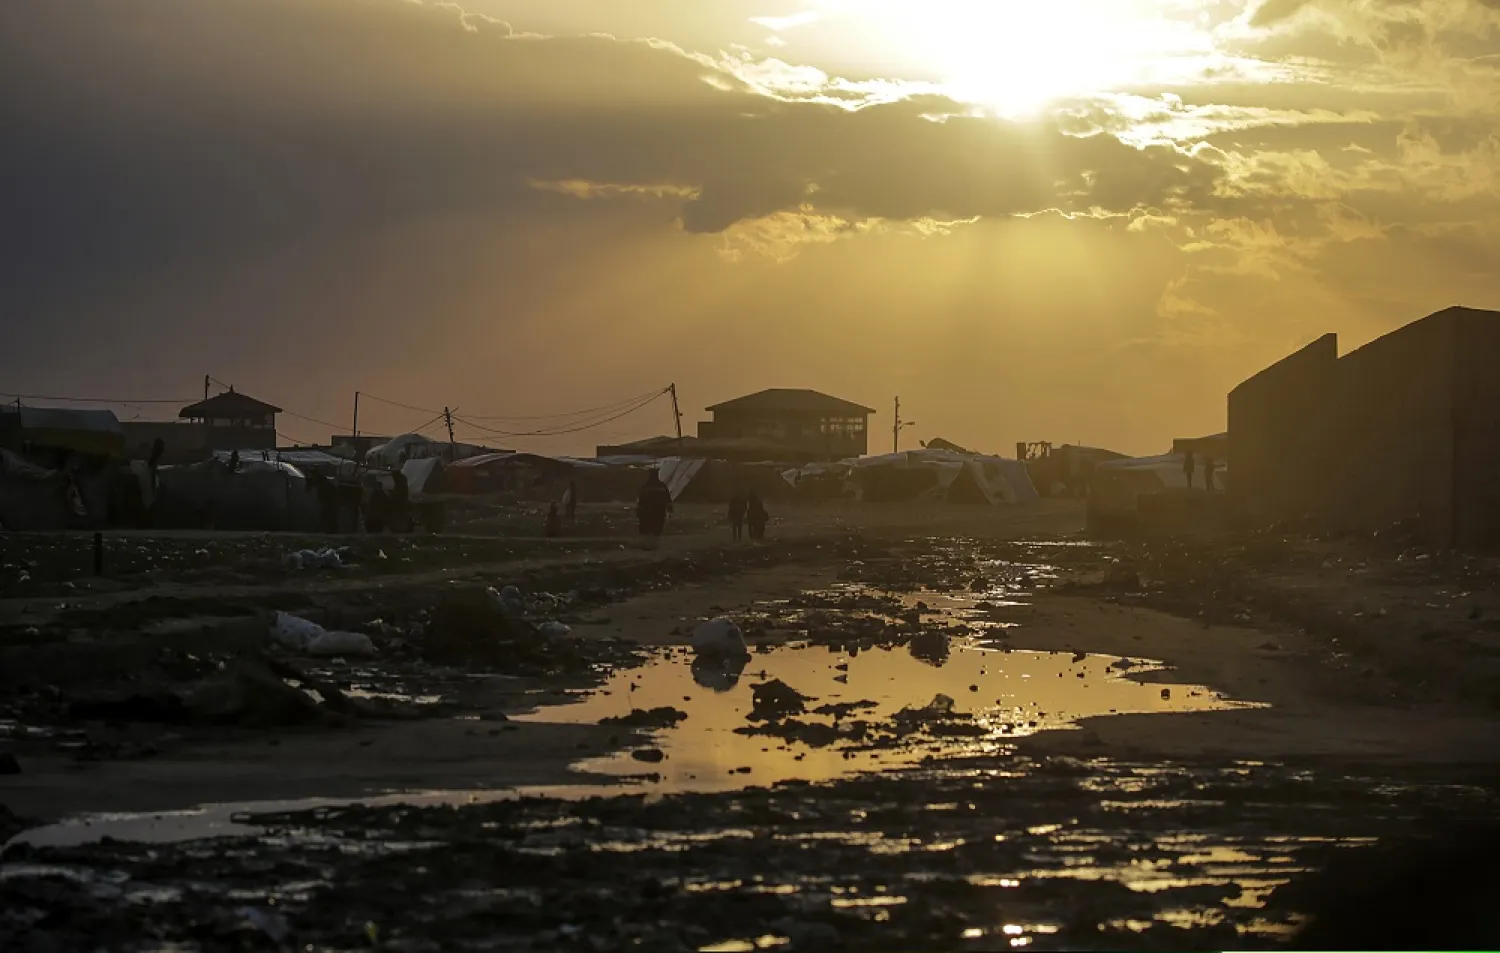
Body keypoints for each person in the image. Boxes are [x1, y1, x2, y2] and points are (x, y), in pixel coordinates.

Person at [637, 472, 672, 542]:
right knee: (657, 528)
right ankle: (655, 542)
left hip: (647, 510)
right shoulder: (662, 486)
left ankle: (648, 543)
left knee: (647, 528)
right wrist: (670, 508)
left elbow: (641, 500)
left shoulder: (645, 486)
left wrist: (639, 511)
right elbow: (667, 498)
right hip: (659, 510)